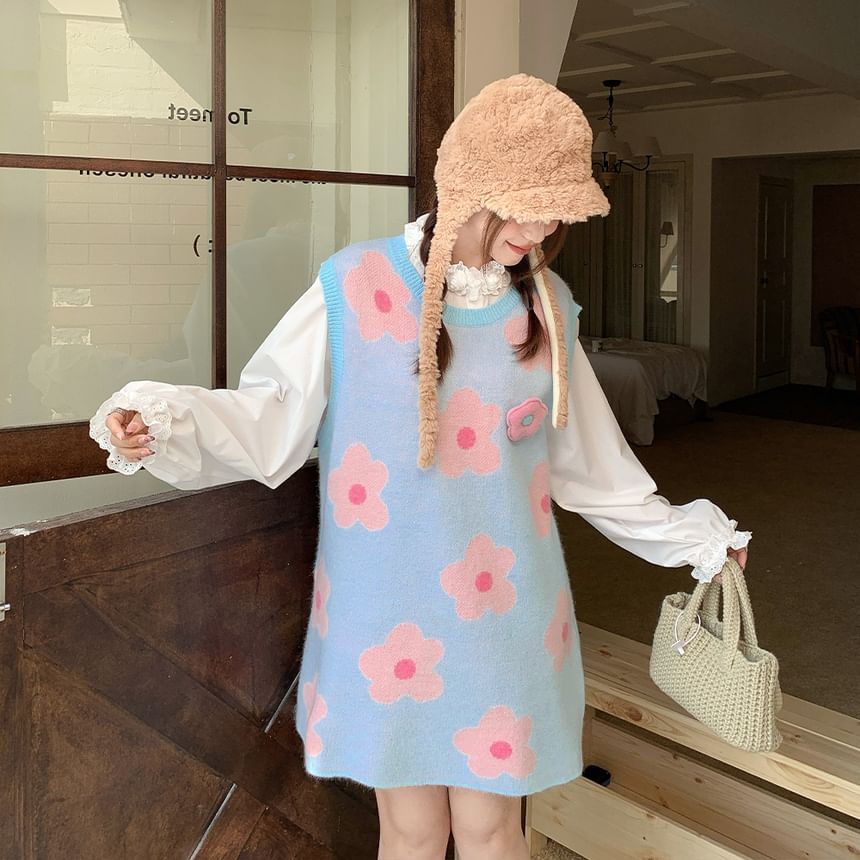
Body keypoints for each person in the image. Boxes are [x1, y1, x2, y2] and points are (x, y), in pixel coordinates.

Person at [90, 74, 750, 860]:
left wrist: (694, 541)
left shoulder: (546, 308)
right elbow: (271, 415)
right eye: (526, 203)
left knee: (492, 829)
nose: (541, 227)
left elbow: (592, 469)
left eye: (556, 210)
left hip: (505, 617)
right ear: (469, 183)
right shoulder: (354, 284)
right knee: (410, 830)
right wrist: (164, 419)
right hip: (384, 615)